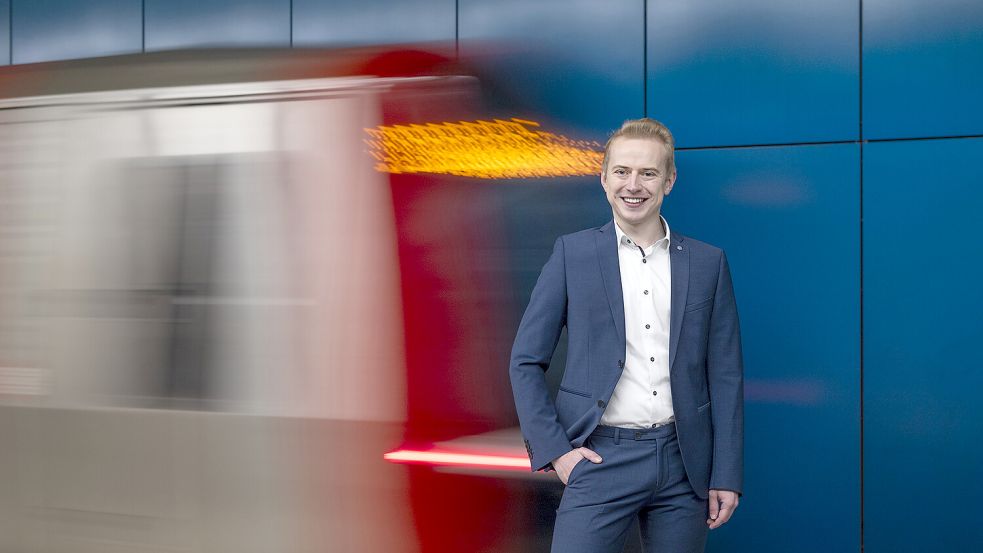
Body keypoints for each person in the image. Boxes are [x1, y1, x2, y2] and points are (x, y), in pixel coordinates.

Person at [509, 118, 743, 553]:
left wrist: (726, 474)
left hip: (684, 465)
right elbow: (525, 361)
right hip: (599, 458)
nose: (633, 185)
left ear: (669, 181)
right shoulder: (572, 254)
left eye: (648, 173)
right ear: (604, 178)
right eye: (622, 171)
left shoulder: (708, 263)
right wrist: (557, 451)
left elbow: (725, 376)